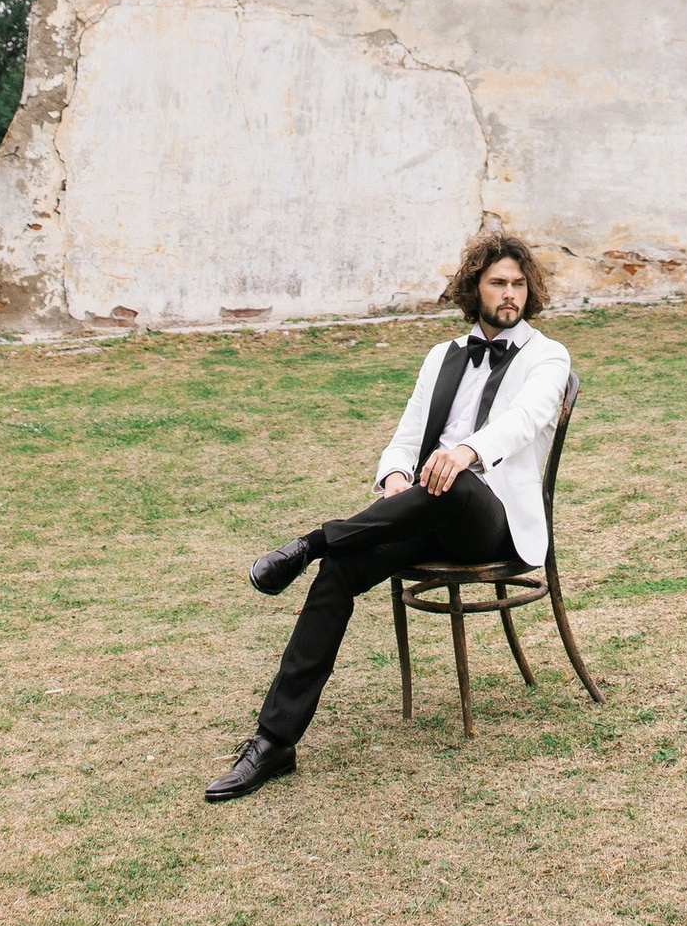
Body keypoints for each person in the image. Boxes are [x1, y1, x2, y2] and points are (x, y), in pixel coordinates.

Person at [205, 230, 569, 801]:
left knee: (453, 482)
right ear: (474, 288)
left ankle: (310, 542)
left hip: (490, 520)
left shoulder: (547, 355)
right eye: (498, 282)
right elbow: (405, 437)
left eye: (519, 284)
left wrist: (465, 452)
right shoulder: (442, 356)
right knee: (340, 571)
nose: (510, 294)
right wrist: (396, 478)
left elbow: (525, 418)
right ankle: (274, 741)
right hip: (422, 508)